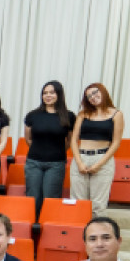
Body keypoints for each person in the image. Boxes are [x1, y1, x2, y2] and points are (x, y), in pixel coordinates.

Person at [70, 83, 125, 216]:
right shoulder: (83, 114)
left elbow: (116, 142)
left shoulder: (116, 114)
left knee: (98, 205)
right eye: (89, 96)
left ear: (103, 91)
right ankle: (78, 235)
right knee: (78, 202)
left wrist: (99, 164)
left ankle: (95, 235)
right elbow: (73, 140)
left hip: (102, 159)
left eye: (95, 92)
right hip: (81, 157)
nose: (93, 97)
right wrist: (79, 162)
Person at [24, 81, 76, 218]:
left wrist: (56, 150)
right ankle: (33, 227)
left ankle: (48, 230)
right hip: (33, 162)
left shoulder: (69, 116)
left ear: (59, 94)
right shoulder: (33, 115)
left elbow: (70, 141)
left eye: (52, 92)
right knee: (33, 197)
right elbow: (28, 139)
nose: (48, 96)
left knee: (51, 198)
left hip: (56, 163)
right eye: (45, 93)